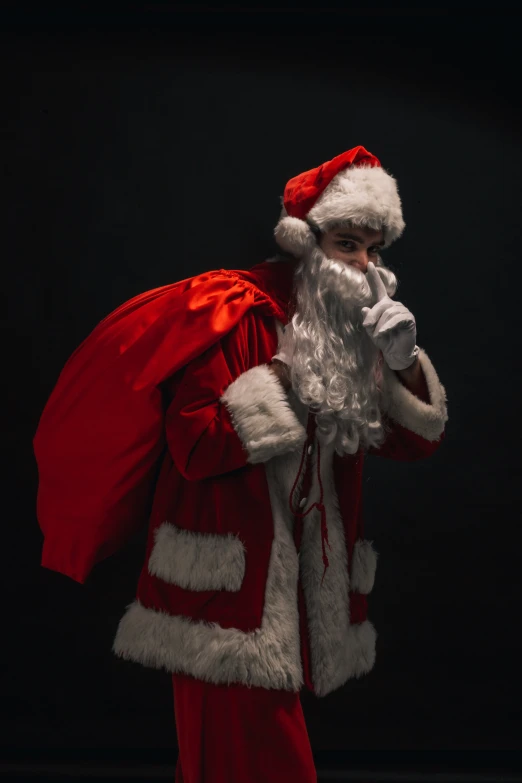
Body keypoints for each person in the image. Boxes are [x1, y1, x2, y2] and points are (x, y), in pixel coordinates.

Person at [34, 145, 448, 783]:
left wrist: (401, 363)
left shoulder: (349, 328)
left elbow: (414, 443)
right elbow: (195, 447)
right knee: (254, 759)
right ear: (304, 242)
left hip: (300, 586)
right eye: (348, 244)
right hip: (227, 587)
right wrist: (284, 379)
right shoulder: (234, 312)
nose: (366, 266)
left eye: (375, 249)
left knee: (222, 762)